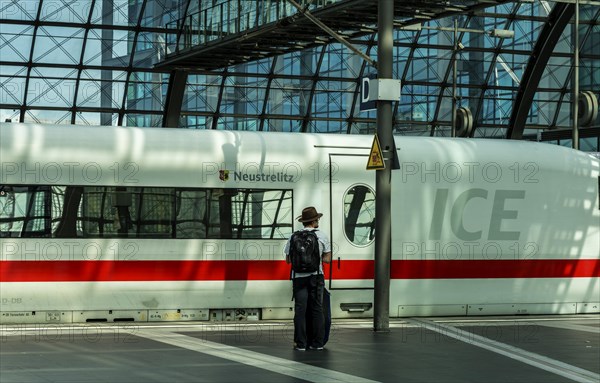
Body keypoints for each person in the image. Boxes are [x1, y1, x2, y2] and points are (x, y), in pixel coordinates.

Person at [284, 206, 332, 351]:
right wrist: (318, 257)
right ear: (314, 221)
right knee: (317, 309)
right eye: (317, 219)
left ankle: (301, 344)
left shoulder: (293, 236)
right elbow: (328, 259)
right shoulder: (321, 236)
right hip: (316, 277)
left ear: (304, 222)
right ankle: (317, 343)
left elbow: (288, 260)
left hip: (298, 278)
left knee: (300, 310)